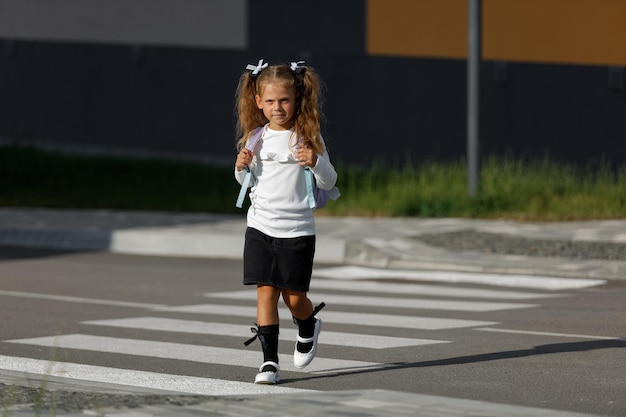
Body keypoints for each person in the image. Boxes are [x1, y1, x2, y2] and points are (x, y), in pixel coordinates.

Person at [234, 59, 337, 385]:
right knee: (266, 293)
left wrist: (316, 162)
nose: (277, 107)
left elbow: (330, 181)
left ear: (297, 100)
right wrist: (240, 166)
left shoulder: (306, 137)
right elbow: (244, 181)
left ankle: (307, 324)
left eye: (284, 100)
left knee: (294, 298)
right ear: (258, 102)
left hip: (297, 230)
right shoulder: (256, 138)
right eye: (270, 101)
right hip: (260, 226)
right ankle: (269, 363)